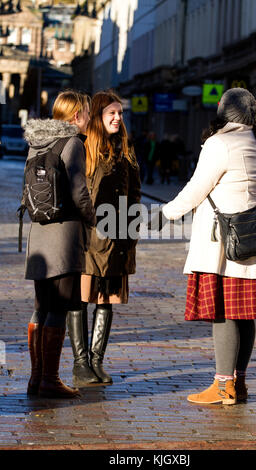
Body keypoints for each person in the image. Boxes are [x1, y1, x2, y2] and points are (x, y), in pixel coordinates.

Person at [151, 88, 256, 405]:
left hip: (224, 239)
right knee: (244, 315)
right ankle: (239, 383)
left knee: (224, 312)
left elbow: (197, 187)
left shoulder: (219, 143)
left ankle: (223, 387)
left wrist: (165, 213)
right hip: (253, 233)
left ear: (223, 113)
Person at [24, 90, 96, 398]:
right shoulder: (73, 144)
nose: (90, 119)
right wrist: (93, 220)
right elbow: (79, 192)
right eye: (88, 113)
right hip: (65, 236)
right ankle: (50, 380)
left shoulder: (36, 143)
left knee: (41, 307)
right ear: (77, 115)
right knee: (59, 309)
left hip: (39, 235)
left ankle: (36, 378)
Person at [67, 90, 141, 386]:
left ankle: (97, 361)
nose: (117, 118)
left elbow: (134, 194)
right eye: (111, 113)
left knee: (106, 300)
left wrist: (131, 232)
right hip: (87, 239)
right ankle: (80, 363)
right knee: (80, 298)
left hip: (116, 239)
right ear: (98, 116)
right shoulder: (82, 148)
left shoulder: (125, 149)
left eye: (120, 113)